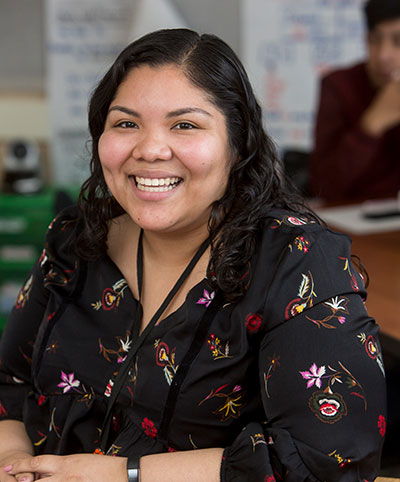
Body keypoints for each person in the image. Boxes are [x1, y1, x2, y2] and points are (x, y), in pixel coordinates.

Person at [0, 28, 386, 482]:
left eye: (185, 125)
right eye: (126, 123)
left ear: (237, 145)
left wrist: (124, 475)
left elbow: (329, 460)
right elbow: (10, 382)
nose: (149, 150)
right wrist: (13, 464)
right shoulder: (74, 239)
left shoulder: (297, 261)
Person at [310, 0, 400, 203]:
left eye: (398, 41)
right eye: (375, 40)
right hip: (351, 221)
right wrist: (372, 125)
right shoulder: (339, 85)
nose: (383, 55)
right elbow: (323, 188)